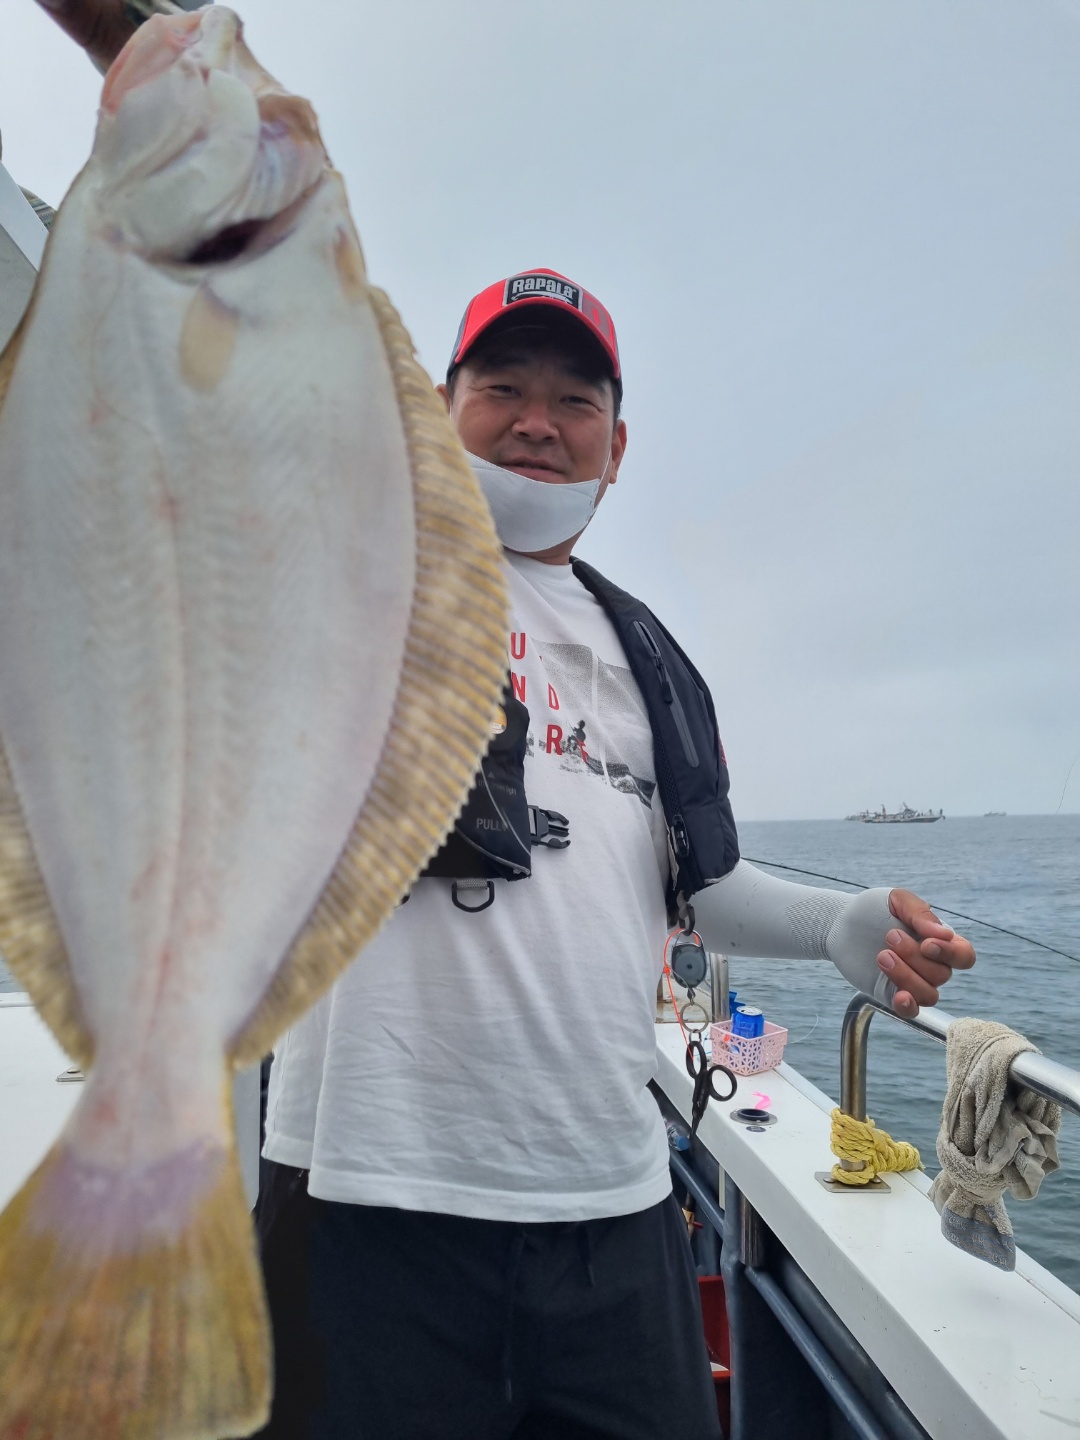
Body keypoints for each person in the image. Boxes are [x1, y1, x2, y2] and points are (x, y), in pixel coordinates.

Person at [31, 10, 978, 1438]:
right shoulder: (351, 559)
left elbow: (689, 883)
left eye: (574, 398)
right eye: (504, 389)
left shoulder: (648, 656)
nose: (539, 420)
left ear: (617, 444)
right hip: (365, 1203)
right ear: (437, 404)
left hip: (613, 1207)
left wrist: (843, 927)